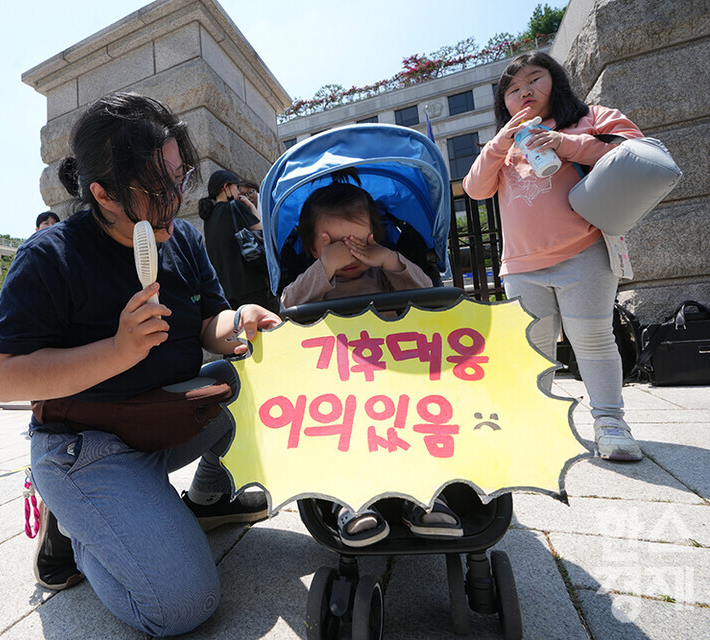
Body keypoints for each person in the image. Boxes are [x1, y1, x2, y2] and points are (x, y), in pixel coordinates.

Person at [0, 93, 280, 637]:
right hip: (86, 443)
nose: (175, 197)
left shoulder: (183, 239)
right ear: (103, 194)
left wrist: (240, 322)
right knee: (183, 605)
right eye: (155, 188)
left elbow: (209, 324)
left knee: (238, 380)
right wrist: (117, 351)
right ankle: (77, 527)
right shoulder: (51, 255)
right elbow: (3, 377)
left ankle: (208, 498)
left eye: (179, 176)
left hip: (162, 419)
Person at [463, 51, 645, 462]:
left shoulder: (590, 117)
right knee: (534, 348)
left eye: (534, 79)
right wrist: (501, 141)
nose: (524, 91)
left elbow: (634, 150)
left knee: (592, 339)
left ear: (555, 81)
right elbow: (476, 188)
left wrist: (566, 143)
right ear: (503, 102)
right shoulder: (505, 142)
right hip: (521, 265)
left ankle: (611, 424)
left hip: (584, 252)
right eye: (512, 89)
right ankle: (537, 425)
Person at [280, 177, 462, 545]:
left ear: (373, 238)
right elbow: (288, 304)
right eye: (332, 245)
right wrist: (324, 267)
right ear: (313, 248)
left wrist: (389, 260)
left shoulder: (386, 275)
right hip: (338, 390)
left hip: (395, 381)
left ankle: (425, 495)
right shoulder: (314, 283)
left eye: (356, 243)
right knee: (336, 438)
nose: (346, 254)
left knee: (420, 426)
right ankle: (352, 501)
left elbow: (428, 293)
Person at [197, 169, 278, 311]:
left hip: (226, 290)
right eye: (236, 186)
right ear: (226, 187)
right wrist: (251, 206)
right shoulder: (235, 207)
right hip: (250, 284)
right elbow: (262, 230)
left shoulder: (208, 217)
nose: (239, 191)